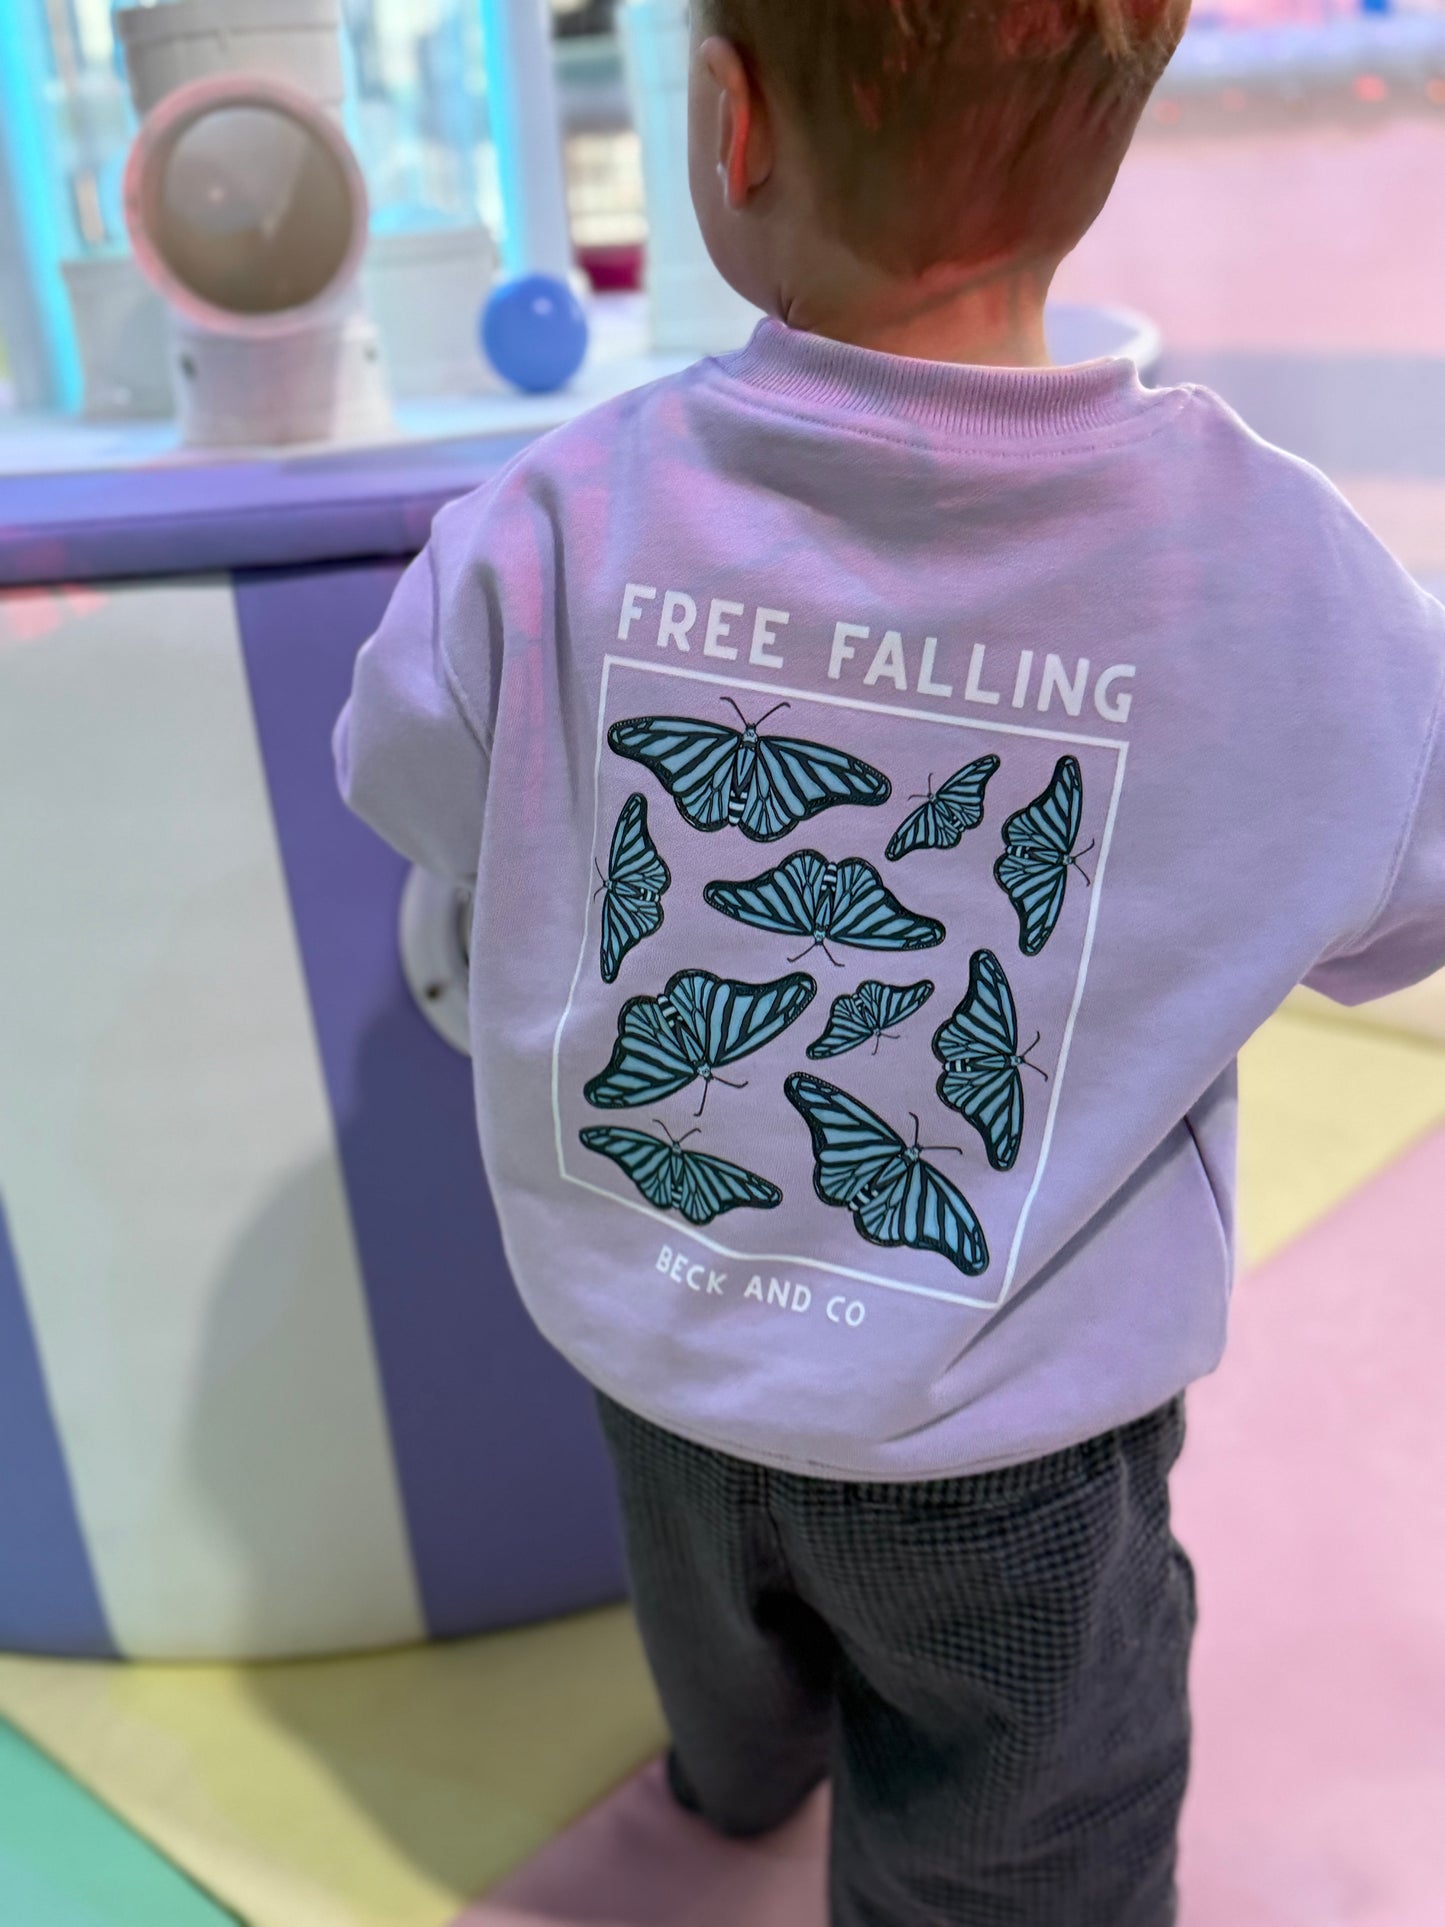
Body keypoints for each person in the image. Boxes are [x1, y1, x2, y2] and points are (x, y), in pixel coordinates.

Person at [333, 2, 1445, 1920]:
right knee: (1024, 1822)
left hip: (655, 1337)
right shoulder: (1281, 574)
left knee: (724, 1659)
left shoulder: (557, 514)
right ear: (1114, 140)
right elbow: (1407, 894)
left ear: (729, 121)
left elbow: (405, 775)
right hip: (1005, 1430)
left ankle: (735, 1779)